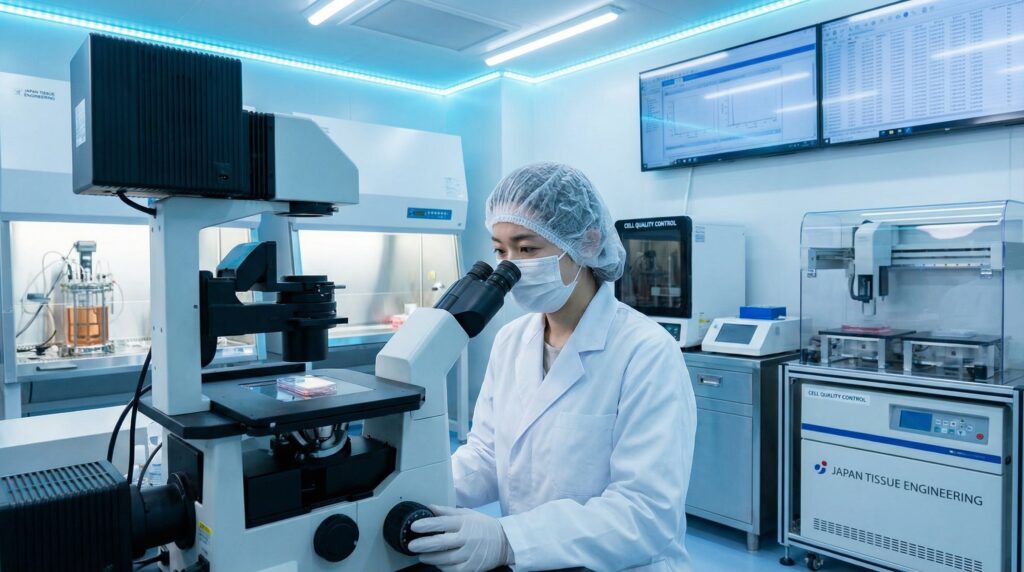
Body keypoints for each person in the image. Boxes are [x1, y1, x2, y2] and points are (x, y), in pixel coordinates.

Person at [409, 162, 697, 572]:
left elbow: (646, 513)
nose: (511, 266)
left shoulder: (646, 352)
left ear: (587, 243)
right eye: (500, 251)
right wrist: (409, 492)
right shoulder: (511, 340)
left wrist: (508, 539)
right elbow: (487, 455)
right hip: (533, 561)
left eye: (527, 249)